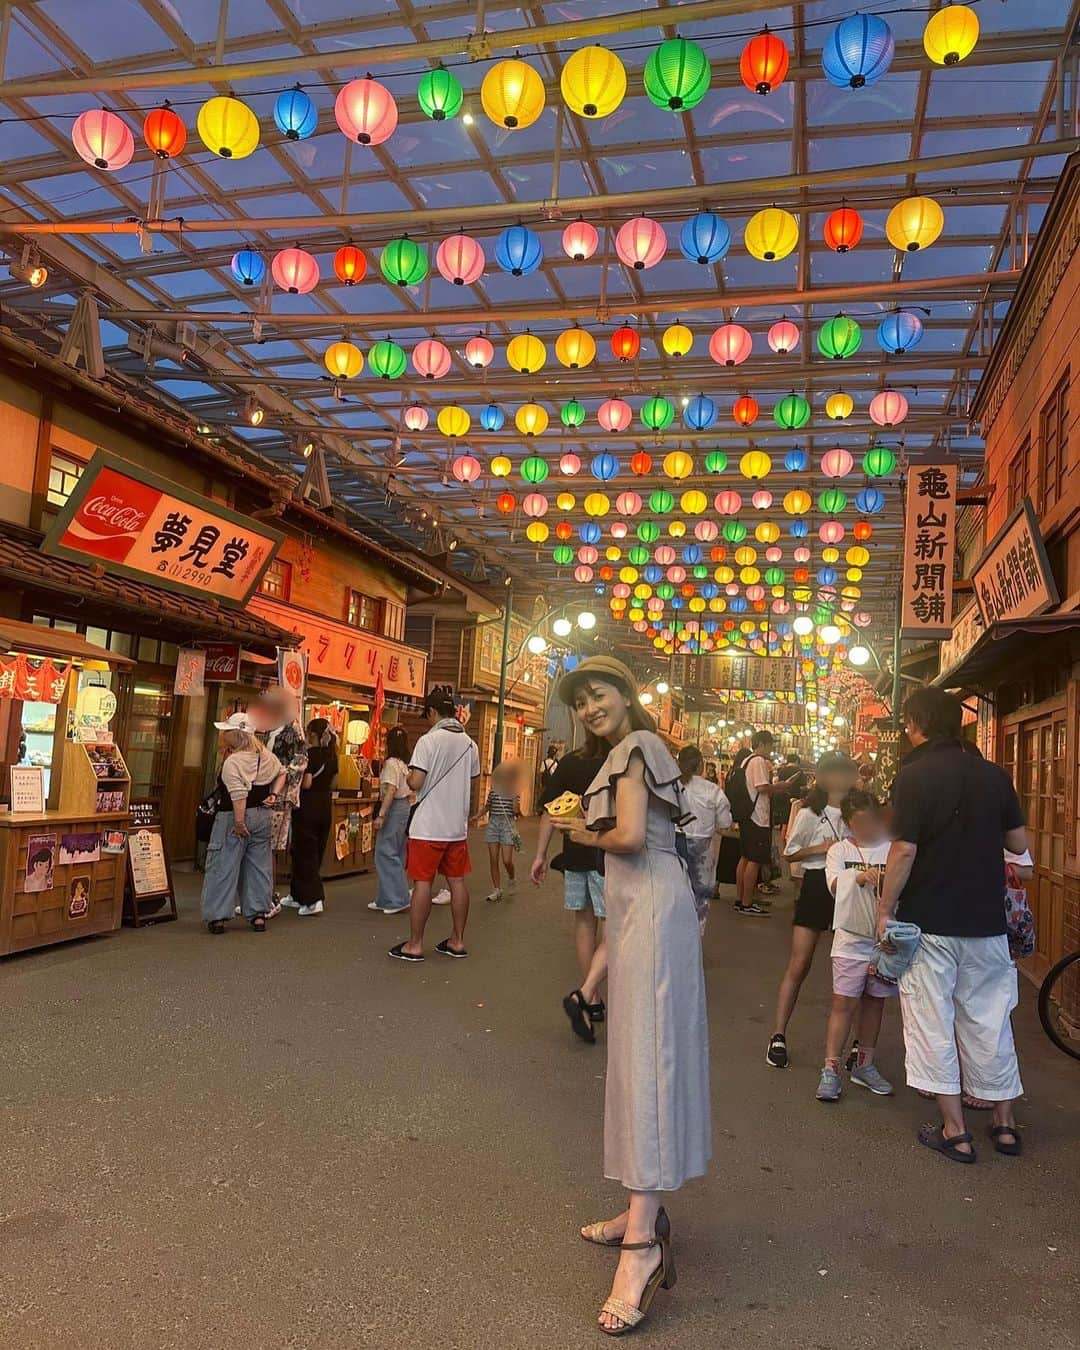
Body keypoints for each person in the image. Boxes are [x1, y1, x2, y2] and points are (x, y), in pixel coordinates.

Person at [549, 655, 708, 1336]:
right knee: (639, 1060)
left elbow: (633, 836)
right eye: (580, 700)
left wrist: (575, 829)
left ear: (627, 694)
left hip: (649, 909)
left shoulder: (640, 745)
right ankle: (640, 1211)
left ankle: (642, 1247)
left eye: (600, 693)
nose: (590, 706)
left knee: (648, 1062)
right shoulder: (630, 751)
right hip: (642, 907)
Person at [877, 687, 1029, 1163]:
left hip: (930, 922)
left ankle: (955, 1131)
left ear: (915, 723)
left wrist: (885, 909)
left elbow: (903, 850)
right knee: (991, 1021)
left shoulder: (913, 776)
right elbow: (1018, 841)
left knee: (932, 1022)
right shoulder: (994, 776)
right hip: (986, 921)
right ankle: (1004, 1126)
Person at [767, 752, 859, 1068]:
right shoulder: (809, 812)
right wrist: (819, 849)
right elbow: (790, 854)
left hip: (852, 886)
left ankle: (855, 1045)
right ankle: (778, 1034)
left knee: (855, 967)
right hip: (818, 884)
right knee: (800, 962)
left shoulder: (857, 811)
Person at [816, 790, 897, 1102]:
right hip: (849, 941)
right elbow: (834, 885)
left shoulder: (891, 849)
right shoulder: (838, 850)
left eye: (870, 820)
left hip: (883, 941)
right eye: (858, 822)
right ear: (848, 823)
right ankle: (831, 1069)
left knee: (875, 1002)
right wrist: (860, 877)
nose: (865, 827)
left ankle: (865, 1063)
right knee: (843, 1003)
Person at [390, 688, 480, 962]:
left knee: (423, 884)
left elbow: (416, 781)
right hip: (456, 827)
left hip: (428, 826)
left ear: (431, 712)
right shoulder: (470, 744)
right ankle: (457, 940)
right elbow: (472, 781)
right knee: (457, 882)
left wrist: (407, 779)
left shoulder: (428, 741)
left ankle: (415, 944)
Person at [533, 743, 607, 1043]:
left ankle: (593, 998)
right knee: (615, 927)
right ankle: (587, 991)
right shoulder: (619, 758)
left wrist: (540, 855)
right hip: (608, 853)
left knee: (584, 922)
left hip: (574, 851)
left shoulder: (571, 761)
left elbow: (551, 810)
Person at [201, 712, 286, 934]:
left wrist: (239, 821)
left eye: (226, 731)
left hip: (232, 817)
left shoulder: (233, 762)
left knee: (223, 864)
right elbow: (282, 772)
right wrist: (274, 795)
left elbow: (238, 795)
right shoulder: (265, 755)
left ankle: (218, 916)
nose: (223, 734)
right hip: (263, 815)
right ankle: (258, 913)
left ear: (235, 735)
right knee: (259, 866)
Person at [256, 687, 308, 912]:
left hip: (279, 796)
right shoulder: (273, 729)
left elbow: (296, 765)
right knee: (262, 847)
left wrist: (278, 781)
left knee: (269, 847)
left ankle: (267, 898)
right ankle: (260, 896)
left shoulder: (292, 730)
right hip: (267, 792)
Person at [678, 744, 732, 933]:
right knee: (700, 898)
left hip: (672, 845)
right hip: (702, 848)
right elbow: (725, 823)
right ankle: (694, 945)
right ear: (701, 764)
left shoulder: (673, 786)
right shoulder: (713, 791)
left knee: (674, 896)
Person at [288, 718, 338, 916]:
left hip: (307, 806)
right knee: (315, 850)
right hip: (325, 805)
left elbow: (306, 782)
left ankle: (313, 899)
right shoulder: (333, 756)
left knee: (303, 851)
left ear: (312, 734)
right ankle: (297, 894)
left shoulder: (308, 755)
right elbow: (334, 783)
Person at [731, 730, 782, 916]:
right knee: (754, 859)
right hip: (757, 816)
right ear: (762, 744)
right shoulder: (758, 761)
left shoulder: (745, 761)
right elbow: (762, 787)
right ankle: (746, 903)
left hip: (747, 816)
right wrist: (780, 786)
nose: (771, 749)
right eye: (770, 745)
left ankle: (741, 898)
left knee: (745, 858)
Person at [370, 726, 412, 915]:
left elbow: (391, 790)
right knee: (396, 851)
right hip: (404, 807)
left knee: (385, 852)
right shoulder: (405, 764)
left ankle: (397, 898)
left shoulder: (391, 764)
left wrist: (381, 815)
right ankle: (385, 898)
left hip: (394, 807)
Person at [476, 758, 522, 902]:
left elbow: (516, 811)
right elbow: (488, 806)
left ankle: (512, 877)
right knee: (493, 858)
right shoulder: (494, 789)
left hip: (508, 824)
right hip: (494, 823)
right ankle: (497, 889)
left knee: (507, 860)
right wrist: (477, 816)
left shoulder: (514, 791)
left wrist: (514, 798)